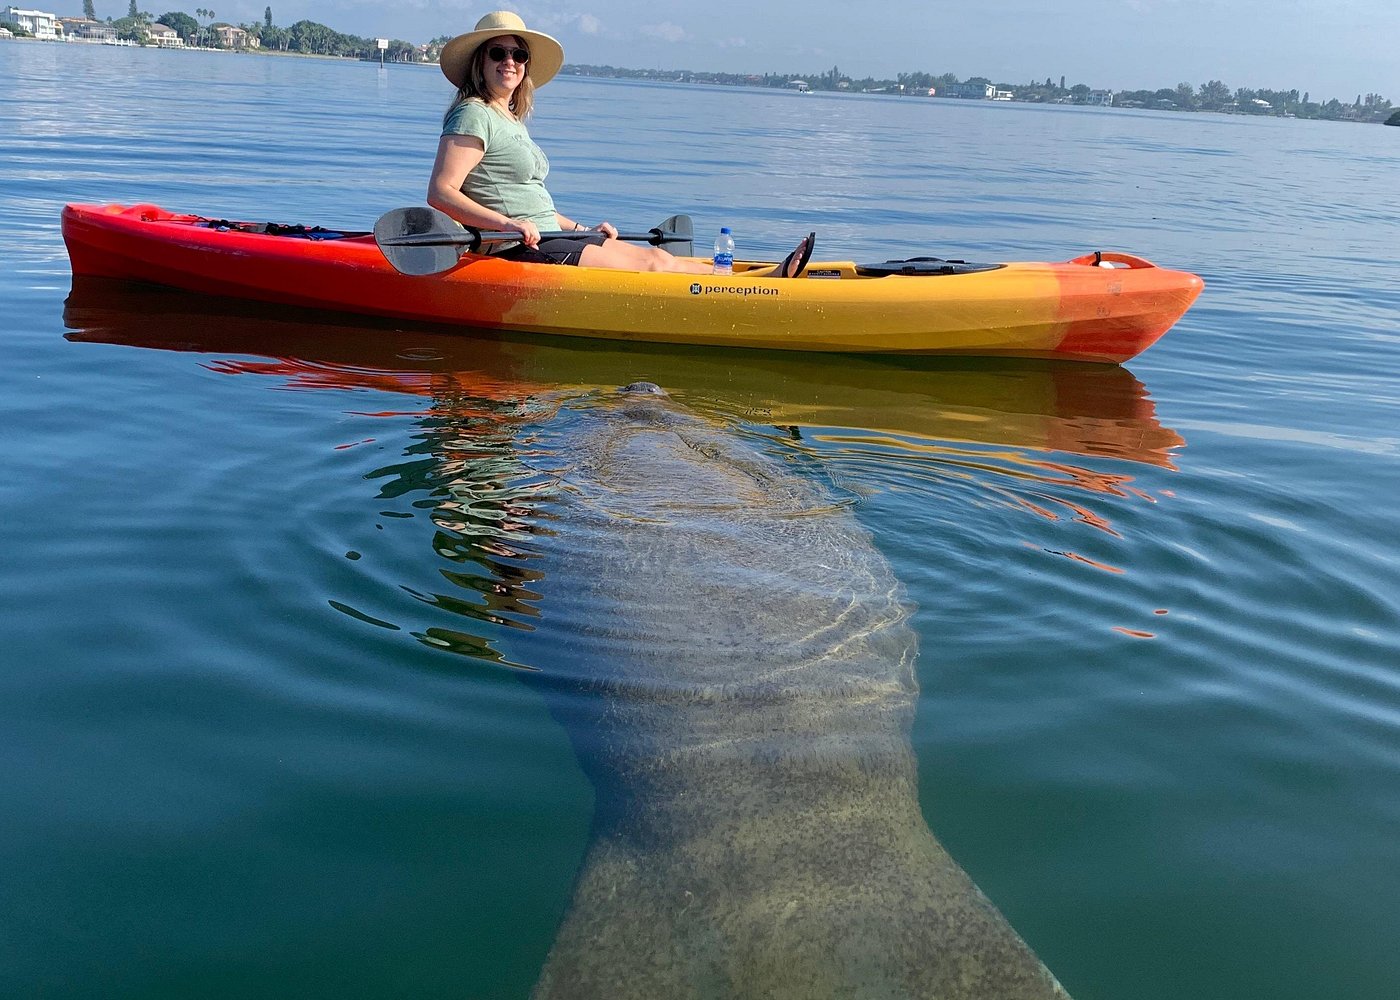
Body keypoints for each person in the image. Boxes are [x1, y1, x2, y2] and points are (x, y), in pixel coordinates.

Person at [428, 11, 813, 276]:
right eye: (498, 53)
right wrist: (507, 224)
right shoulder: (473, 113)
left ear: (526, 64)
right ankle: (764, 285)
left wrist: (583, 228)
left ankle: (760, 279)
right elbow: (441, 192)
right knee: (653, 266)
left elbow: (531, 203)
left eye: (518, 54)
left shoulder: (508, 118)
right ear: (480, 62)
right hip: (517, 247)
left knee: (660, 257)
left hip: (550, 235)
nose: (509, 61)